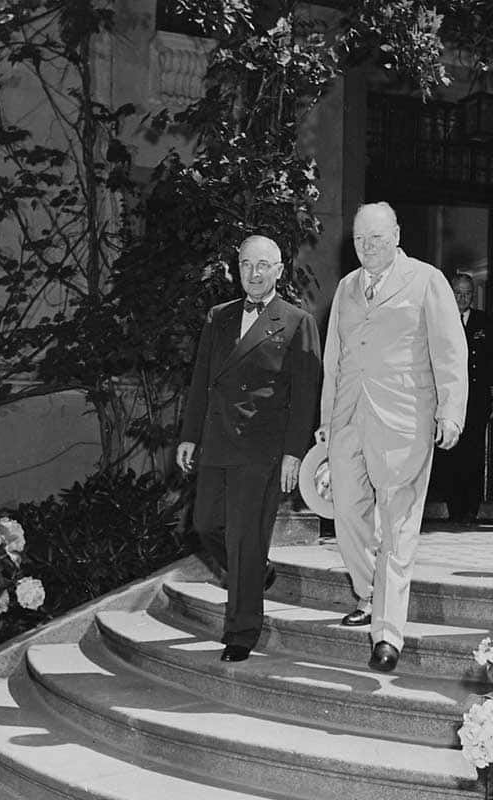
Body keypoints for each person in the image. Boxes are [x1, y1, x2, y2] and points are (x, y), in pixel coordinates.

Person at [317, 201, 468, 673]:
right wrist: (326, 421)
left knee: (398, 527)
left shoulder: (426, 280)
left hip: (405, 421)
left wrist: (451, 411)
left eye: (377, 238)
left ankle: (387, 633)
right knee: (345, 513)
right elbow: (333, 359)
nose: (368, 247)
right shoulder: (346, 288)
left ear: (397, 234)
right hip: (348, 420)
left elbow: (449, 350)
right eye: (361, 239)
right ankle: (367, 591)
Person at [177, 234, 321, 664]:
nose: (253, 274)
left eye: (263, 266)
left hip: (262, 448)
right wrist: (189, 435)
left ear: (279, 271)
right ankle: (257, 572)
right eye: (245, 265)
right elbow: (202, 379)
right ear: (236, 268)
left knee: (244, 537)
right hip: (218, 442)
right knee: (204, 524)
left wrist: (295, 454)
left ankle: (241, 631)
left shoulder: (297, 321)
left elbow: (305, 394)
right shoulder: (218, 317)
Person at [431, 273, 493, 524]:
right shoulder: (439, 319)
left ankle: (471, 509)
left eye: (467, 293)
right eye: (458, 292)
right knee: (450, 455)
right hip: (449, 399)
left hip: (476, 399)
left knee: (473, 455)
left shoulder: (484, 322)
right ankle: (454, 508)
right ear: (450, 292)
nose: (462, 298)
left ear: (473, 295)